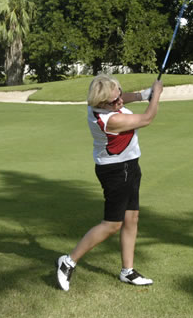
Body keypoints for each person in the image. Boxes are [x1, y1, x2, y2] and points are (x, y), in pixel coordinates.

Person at [56, 74, 163, 291]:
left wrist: (143, 94)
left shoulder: (108, 104)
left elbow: (125, 99)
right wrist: (156, 95)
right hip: (115, 172)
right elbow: (147, 118)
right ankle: (68, 261)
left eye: (119, 95)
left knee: (132, 218)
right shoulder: (109, 120)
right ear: (101, 103)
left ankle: (128, 271)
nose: (120, 102)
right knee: (112, 224)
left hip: (130, 165)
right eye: (114, 101)